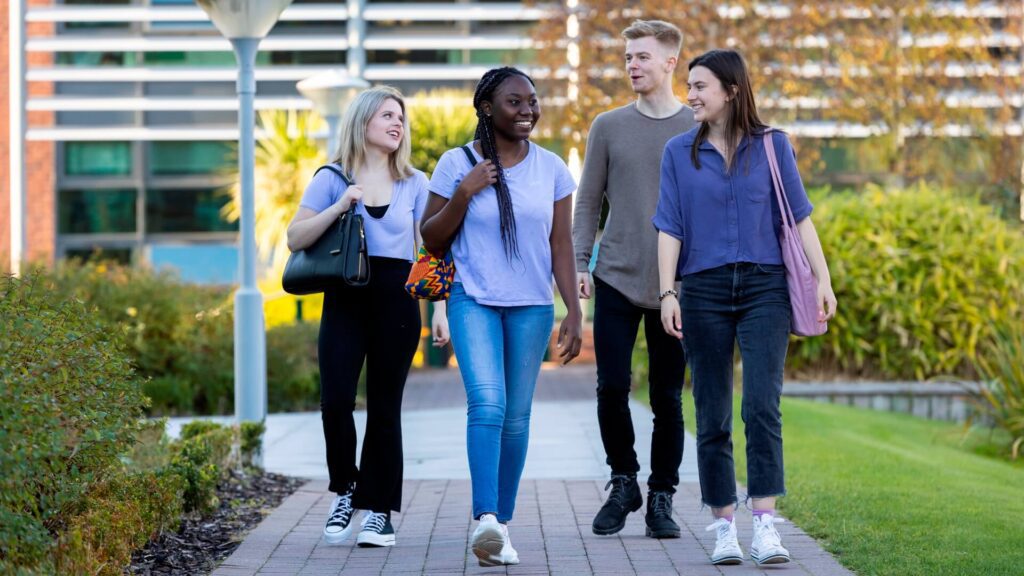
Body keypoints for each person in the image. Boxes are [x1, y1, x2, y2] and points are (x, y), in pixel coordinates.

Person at [654, 49, 837, 566]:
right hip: (704, 290)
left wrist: (823, 279)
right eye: (689, 85)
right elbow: (669, 225)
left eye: (700, 86)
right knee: (711, 411)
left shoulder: (774, 147)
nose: (689, 94)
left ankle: (765, 526)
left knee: (762, 406)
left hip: (765, 289)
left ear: (731, 91)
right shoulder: (676, 153)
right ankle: (724, 527)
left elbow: (800, 219)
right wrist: (668, 291)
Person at [420, 66, 583, 567]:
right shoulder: (456, 163)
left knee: (516, 418)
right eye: (516, 102)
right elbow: (430, 237)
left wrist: (573, 311)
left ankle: (501, 528)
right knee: (488, 404)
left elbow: (561, 246)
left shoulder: (552, 168)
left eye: (532, 101)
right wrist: (467, 191)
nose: (528, 110)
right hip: (474, 298)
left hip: (532, 305)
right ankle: (485, 517)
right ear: (487, 108)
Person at [286, 86, 449, 548]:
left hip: (397, 300)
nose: (397, 123)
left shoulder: (416, 182)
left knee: (385, 408)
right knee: (335, 401)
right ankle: (346, 489)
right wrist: (341, 205)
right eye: (386, 116)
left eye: (401, 117)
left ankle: (380, 512)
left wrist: (439, 308)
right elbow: (295, 237)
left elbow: (428, 250)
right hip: (345, 296)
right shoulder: (332, 177)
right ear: (362, 123)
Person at [573, 19, 696, 539]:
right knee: (611, 388)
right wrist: (581, 262)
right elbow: (587, 200)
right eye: (628, 57)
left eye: (642, 56)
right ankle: (624, 480)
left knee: (668, 397)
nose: (632, 65)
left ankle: (661, 496)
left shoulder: (698, 126)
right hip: (618, 275)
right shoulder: (607, 125)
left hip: (680, 288)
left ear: (671, 62)